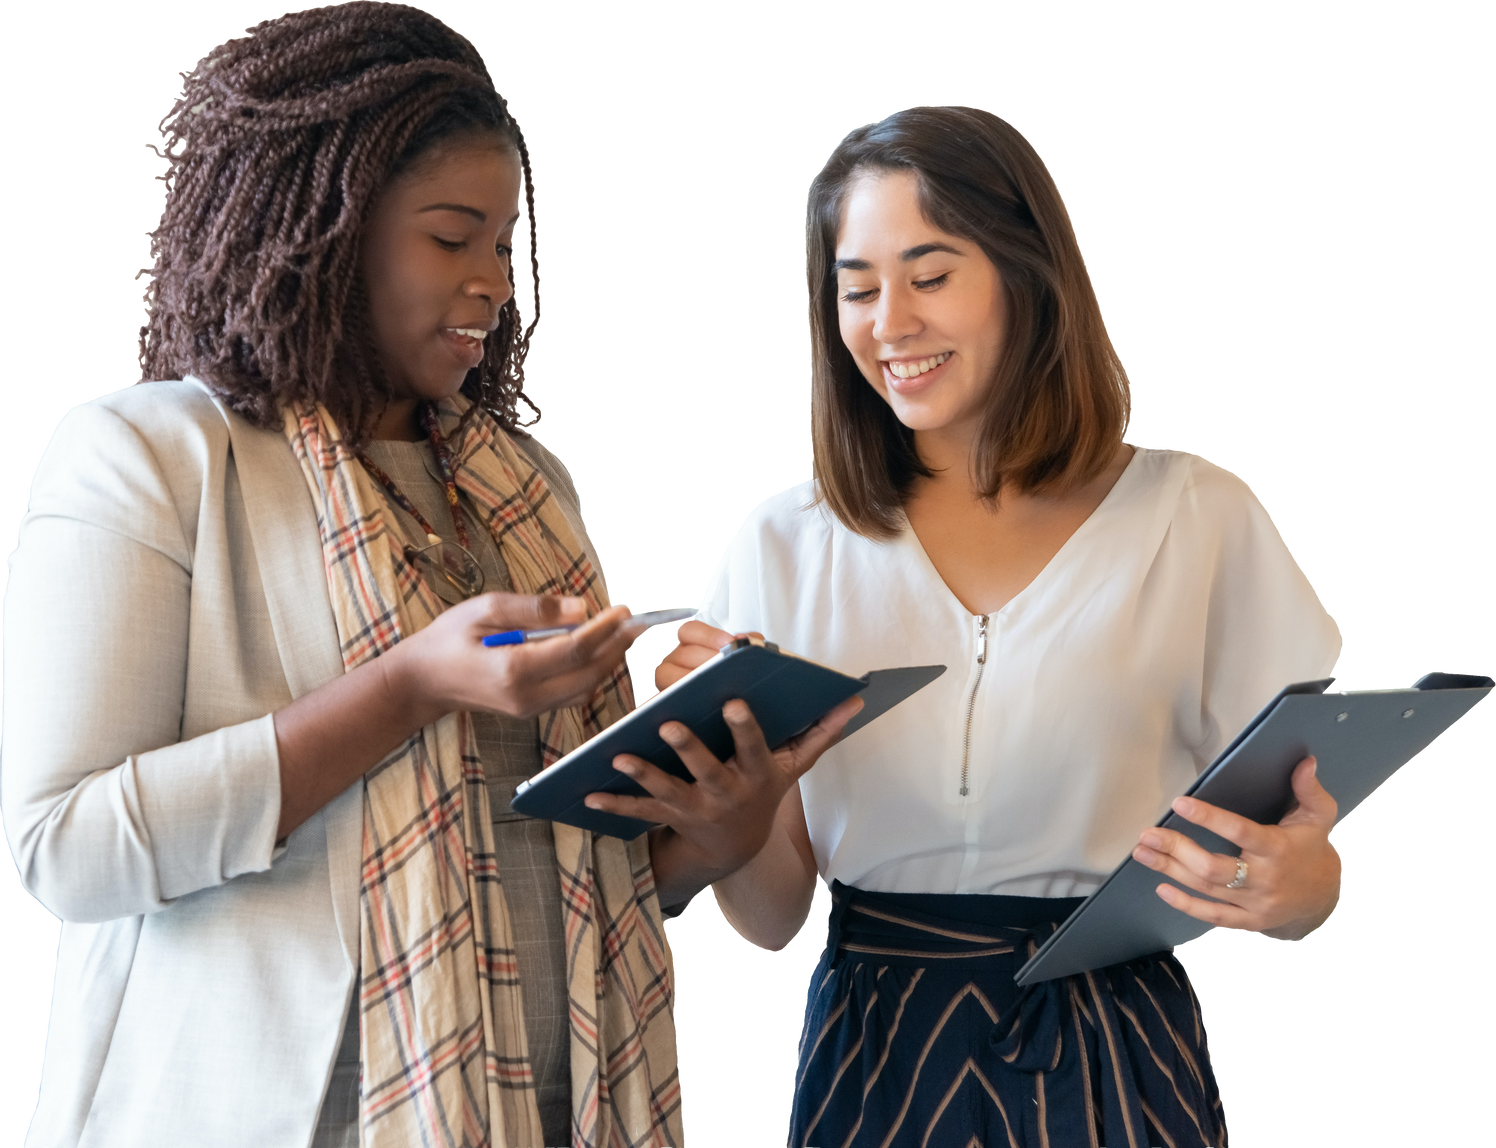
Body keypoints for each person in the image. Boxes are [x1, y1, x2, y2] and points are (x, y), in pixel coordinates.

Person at [0, 6, 856, 1147]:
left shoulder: (519, 491)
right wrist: (409, 687)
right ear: (323, 225)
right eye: (451, 237)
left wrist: (716, 826)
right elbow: (68, 844)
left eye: (501, 244)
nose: (491, 283)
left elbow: (573, 870)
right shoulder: (145, 457)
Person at [595, 106, 1345, 1147]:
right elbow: (773, 914)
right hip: (877, 1048)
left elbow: (1292, 835)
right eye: (856, 287)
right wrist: (730, 811)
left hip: (1113, 1046)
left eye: (930, 274)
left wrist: (1306, 884)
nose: (888, 321)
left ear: (1026, 274)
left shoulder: (1201, 520)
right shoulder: (783, 544)